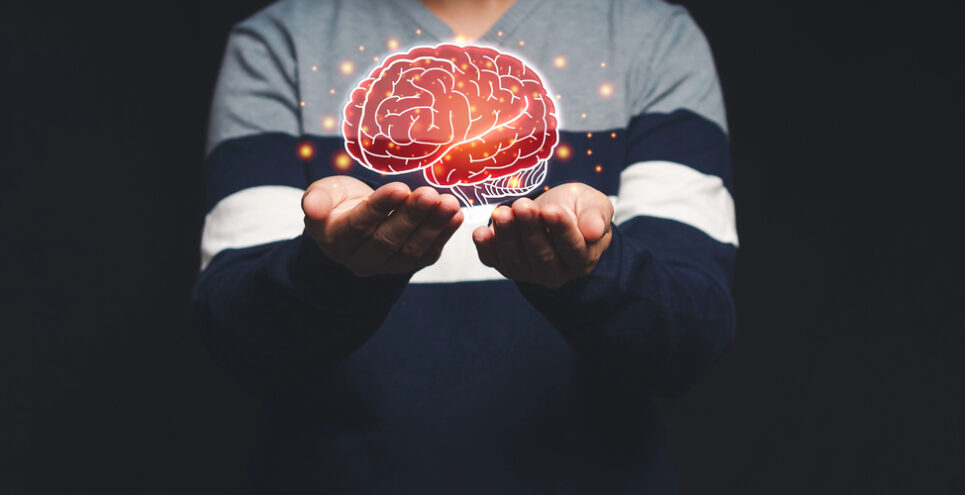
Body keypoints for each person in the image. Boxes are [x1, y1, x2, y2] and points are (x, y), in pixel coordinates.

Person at [191, 0, 738, 492]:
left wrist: (592, 271)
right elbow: (238, 342)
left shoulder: (651, 35)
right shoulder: (281, 41)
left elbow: (690, 336)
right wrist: (332, 271)